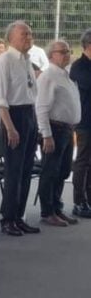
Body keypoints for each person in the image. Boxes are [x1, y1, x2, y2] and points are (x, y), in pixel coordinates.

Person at [0, 21, 40, 236]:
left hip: (29, 114)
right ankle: (8, 217)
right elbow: (1, 98)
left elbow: (32, 92)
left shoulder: (27, 60)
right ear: (11, 38)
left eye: (30, 34)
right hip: (14, 116)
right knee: (14, 170)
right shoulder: (5, 61)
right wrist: (10, 128)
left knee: (26, 169)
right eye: (24, 35)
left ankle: (19, 215)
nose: (29, 38)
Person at [36, 40, 80, 227]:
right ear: (51, 55)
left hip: (67, 129)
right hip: (54, 128)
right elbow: (42, 108)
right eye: (62, 51)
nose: (67, 54)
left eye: (68, 51)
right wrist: (46, 134)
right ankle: (47, 211)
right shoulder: (48, 77)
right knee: (50, 171)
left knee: (62, 170)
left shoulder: (65, 75)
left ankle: (57, 207)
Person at [70, 29, 91, 218]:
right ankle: (79, 201)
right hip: (85, 121)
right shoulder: (79, 67)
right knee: (83, 161)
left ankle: (89, 199)